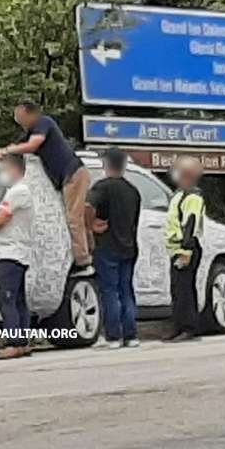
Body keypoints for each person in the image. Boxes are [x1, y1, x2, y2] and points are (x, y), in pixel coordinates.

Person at [0, 101, 94, 277]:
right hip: (66, 178)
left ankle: (83, 261)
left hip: (74, 174)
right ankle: (88, 252)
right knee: (74, 216)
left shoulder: (43, 123)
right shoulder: (30, 132)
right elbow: (13, 151)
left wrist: (8, 149)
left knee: (74, 217)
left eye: (20, 117)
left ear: (31, 114)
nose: (18, 121)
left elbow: (32, 145)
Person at [87, 148, 141, 349]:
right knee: (126, 290)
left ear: (106, 164)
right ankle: (131, 335)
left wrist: (90, 225)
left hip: (107, 245)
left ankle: (112, 336)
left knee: (110, 290)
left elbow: (88, 206)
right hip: (129, 246)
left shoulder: (102, 187)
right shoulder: (132, 190)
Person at [0, 154, 35, 360]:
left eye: (4, 168)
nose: (2, 173)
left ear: (15, 169)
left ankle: (14, 342)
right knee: (18, 300)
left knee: (7, 300)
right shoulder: (19, 191)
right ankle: (22, 342)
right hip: (18, 253)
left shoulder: (18, 191)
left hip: (9, 253)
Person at [164, 156, 206, 342]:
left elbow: (190, 224)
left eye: (178, 169)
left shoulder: (193, 197)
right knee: (177, 289)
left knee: (185, 290)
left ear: (187, 174)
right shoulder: (180, 195)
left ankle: (189, 327)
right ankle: (178, 326)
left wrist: (186, 251)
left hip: (186, 248)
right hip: (176, 249)